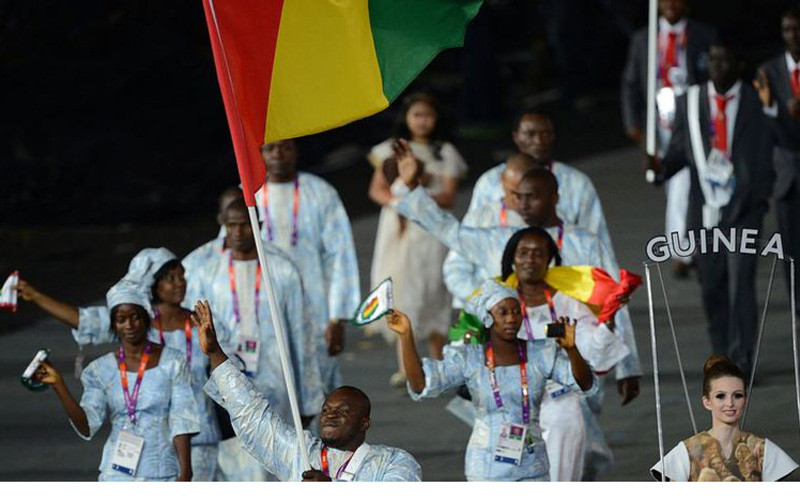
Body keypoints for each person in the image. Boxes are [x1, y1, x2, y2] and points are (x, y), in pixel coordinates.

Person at [16, 248, 222, 481]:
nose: (179, 283)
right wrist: (34, 296)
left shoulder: (199, 329)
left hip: (197, 436)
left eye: (181, 276)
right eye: (170, 278)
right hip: (125, 463)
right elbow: (83, 320)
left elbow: (224, 370)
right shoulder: (131, 322)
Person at [650, 36, 774, 379]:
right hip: (703, 211)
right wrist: (658, 167)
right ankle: (720, 355)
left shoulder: (753, 102)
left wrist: (755, 199)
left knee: (740, 286)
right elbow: (679, 152)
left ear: (738, 66)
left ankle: (741, 361)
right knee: (711, 285)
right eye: (713, 60)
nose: (717, 67)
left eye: (725, 60)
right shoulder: (689, 101)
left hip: (743, 211)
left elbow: (765, 157)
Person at [388, 278, 597, 481]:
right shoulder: (469, 358)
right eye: (503, 312)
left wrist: (572, 350)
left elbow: (584, 384)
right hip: (486, 470)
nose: (511, 318)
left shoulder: (541, 353)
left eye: (516, 311)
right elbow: (421, 384)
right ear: (488, 317)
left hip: (534, 467)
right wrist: (406, 337)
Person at [192, 300, 422, 481]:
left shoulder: (394, 462)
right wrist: (215, 353)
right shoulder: (301, 452)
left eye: (343, 411)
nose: (330, 414)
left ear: (364, 423)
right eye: (326, 409)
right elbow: (253, 416)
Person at [190, 197, 324, 481]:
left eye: (245, 225)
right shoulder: (204, 269)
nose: (239, 232)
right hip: (226, 378)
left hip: (276, 382)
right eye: (232, 225)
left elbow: (302, 337)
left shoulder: (282, 268)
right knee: (236, 460)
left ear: (259, 225)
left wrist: (309, 401)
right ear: (222, 225)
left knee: (277, 460)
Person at [500, 227, 630, 481]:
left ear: (550, 259)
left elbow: (592, 354)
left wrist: (608, 319)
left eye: (538, 253)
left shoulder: (568, 302)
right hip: (515, 409)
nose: (530, 260)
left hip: (560, 404)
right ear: (512, 258)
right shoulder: (499, 303)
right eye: (523, 253)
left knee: (559, 480)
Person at [367, 92, 468, 385]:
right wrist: (399, 203)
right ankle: (405, 365)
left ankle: (438, 362)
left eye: (428, 115)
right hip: (399, 229)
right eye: (416, 115)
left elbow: (448, 196)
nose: (422, 121)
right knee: (402, 286)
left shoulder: (445, 152)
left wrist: (417, 197)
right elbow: (376, 190)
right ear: (407, 118)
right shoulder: (391, 149)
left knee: (434, 287)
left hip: (430, 230)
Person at [256, 138, 360, 393]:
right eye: (270, 148)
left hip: (315, 308)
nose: (278, 154)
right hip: (262, 307)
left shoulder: (320, 192)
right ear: (260, 154)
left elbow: (341, 254)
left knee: (317, 385)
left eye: (285, 147)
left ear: (296, 151)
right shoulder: (248, 196)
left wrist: (338, 317)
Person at [621, 0, 716, 278]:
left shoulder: (703, 34)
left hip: (691, 118)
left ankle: (683, 251)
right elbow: (631, 82)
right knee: (671, 182)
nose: (671, 5)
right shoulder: (644, 37)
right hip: (659, 121)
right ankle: (691, 242)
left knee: (681, 182)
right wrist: (632, 123)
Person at [467, 111, 613, 260]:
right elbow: (470, 236)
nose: (538, 141)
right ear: (516, 137)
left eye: (546, 134)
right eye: (530, 134)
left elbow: (597, 239)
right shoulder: (489, 182)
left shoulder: (577, 183)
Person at [650, 355, 798, 481]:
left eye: (737, 395)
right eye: (721, 396)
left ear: (745, 399)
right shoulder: (686, 454)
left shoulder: (764, 452)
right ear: (706, 402)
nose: (730, 403)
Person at [754, 6, 800, 315]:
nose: (793, 35)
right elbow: (761, 129)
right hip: (787, 180)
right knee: (792, 254)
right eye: (787, 30)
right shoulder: (768, 71)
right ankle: (798, 311)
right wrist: (773, 109)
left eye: (797, 28)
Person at [443, 153, 528, 308]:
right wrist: (488, 301)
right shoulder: (480, 218)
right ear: (502, 181)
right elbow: (455, 270)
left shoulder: (548, 219)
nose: (519, 200)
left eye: (526, 193)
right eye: (513, 192)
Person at [183, 186, 244, 307]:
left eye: (242, 206)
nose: (236, 212)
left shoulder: (271, 258)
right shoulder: (197, 260)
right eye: (231, 209)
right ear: (221, 218)